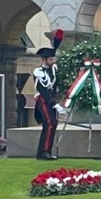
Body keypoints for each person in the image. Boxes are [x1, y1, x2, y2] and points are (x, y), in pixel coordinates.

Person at [33, 30, 66, 160]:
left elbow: (56, 85)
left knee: (52, 124)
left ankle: (43, 151)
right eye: (50, 59)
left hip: (52, 99)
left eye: (53, 58)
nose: (53, 61)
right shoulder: (38, 72)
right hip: (43, 99)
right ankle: (44, 151)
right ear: (44, 60)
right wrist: (55, 104)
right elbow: (44, 91)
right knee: (50, 123)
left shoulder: (54, 69)